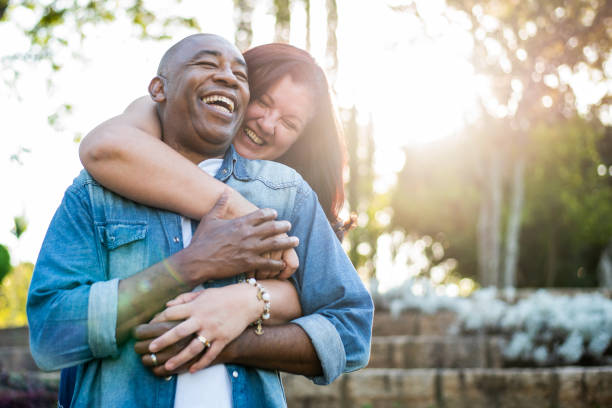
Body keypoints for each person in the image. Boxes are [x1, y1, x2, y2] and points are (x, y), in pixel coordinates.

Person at [27, 33, 373, 407]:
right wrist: (197, 261)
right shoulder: (102, 186)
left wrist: (238, 318)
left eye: (289, 123)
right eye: (263, 101)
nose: (268, 123)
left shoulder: (287, 193)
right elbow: (50, 332)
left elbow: (346, 322)